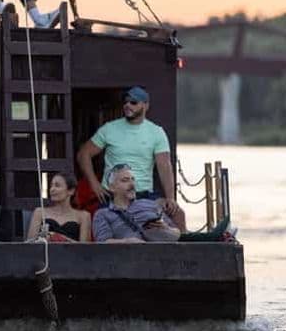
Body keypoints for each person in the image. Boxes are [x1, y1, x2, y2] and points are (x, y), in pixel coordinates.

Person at [77, 86, 184, 229]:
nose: (127, 105)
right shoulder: (109, 129)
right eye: (125, 102)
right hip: (113, 196)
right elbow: (83, 154)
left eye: (133, 102)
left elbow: (164, 166)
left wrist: (170, 198)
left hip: (143, 195)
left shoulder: (156, 132)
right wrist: (94, 184)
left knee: (178, 215)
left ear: (145, 105)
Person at [92, 164, 228, 243]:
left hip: (161, 249)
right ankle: (213, 236)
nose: (132, 184)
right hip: (131, 255)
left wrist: (166, 227)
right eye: (125, 180)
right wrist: (126, 242)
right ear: (112, 187)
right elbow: (102, 242)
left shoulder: (149, 204)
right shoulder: (103, 214)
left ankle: (215, 236)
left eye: (133, 179)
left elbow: (176, 232)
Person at [26, 172, 92, 242]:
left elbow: (84, 247)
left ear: (71, 191)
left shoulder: (83, 216)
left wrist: (60, 238)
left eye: (57, 186)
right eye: (51, 186)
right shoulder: (39, 212)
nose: (52, 189)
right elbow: (30, 243)